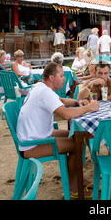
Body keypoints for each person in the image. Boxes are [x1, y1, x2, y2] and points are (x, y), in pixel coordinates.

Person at [16, 62, 99, 198]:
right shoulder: (44, 92)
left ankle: (77, 179)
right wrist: (89, 107)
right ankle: (73, 187)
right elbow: (65, 114)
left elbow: (59, 100)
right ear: (51, 78)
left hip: (35, 136)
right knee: (76, 144)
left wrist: (77, 103)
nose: (64, 78)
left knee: (76, 135)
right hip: (31, 145)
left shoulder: (40, 87)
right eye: (61, 76)